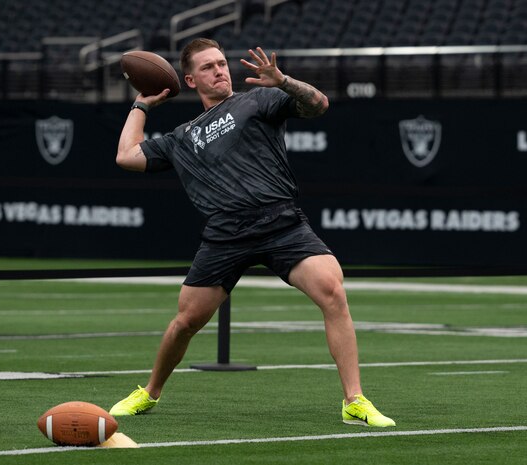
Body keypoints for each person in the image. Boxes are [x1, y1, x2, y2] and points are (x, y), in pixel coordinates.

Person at [109, 38, 395, 428]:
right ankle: (149, 392)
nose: (220, 70)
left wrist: (284, 81)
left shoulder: (258, 100)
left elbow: (319, 105)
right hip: (226, 233)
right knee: (186, 322)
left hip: (281, 222)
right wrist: (142, 104)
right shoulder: (183, 136)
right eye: (208, 67)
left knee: (332, 290)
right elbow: (127, 156)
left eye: (222, 63)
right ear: (190, 79)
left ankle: (354, 400)